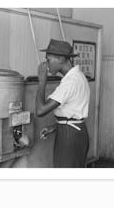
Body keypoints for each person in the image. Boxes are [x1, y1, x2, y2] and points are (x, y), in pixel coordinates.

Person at [36, 39, 90, 168]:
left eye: (48, 60)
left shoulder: (70, 82)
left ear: (60, 59)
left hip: (70, 137)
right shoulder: (78, 77)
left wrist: (42, 81)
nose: (47, 65)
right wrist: (56, 126)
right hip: (74, 131)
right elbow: (73, 112)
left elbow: (40, 110)